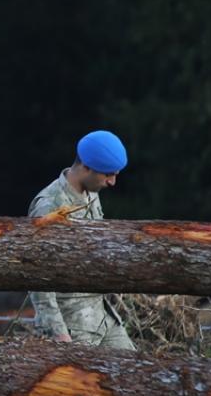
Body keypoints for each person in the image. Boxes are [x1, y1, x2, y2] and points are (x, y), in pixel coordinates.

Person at [27, 130, 135, 350]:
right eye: (107, 175)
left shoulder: (91, 193)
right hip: (73, 326)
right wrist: (57, 332)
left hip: (103, 317)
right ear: (86, 167)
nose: (112, 182)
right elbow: (36, 275)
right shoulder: (49, 206)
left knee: (139, 375)